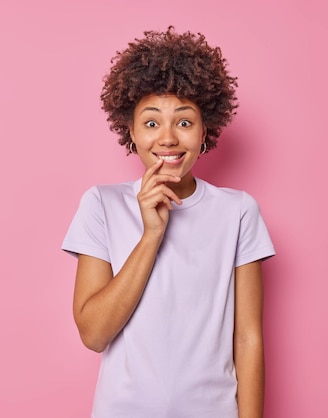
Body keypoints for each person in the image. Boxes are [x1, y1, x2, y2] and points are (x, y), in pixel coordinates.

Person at [62, 27, 275, 418]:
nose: (168, 139)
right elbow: (93, 334)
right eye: (151, 123)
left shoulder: (238, 211)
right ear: (130, 131)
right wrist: (151, 235)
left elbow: (247, 339)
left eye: (184, 122)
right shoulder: (101, 205)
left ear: (205, 130)